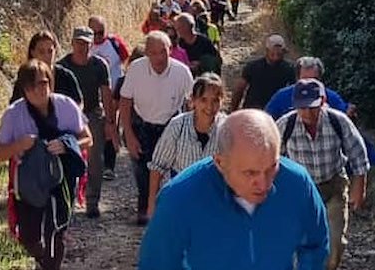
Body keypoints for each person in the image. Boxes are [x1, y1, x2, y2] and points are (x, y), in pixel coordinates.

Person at [138, 109, 329, 270]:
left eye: (272, 168)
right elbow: (156, 264)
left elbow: (316, 243)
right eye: (250, 173)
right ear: (220, 162)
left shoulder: (298, 184)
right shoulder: (178, 199)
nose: (264, 184)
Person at [0, 60, 91, 270]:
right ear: (24, 89)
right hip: (29, 182)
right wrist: (19, 145)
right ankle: (42, 260)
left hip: (62, 180)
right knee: (29, 237)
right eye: (32, 86)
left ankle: (51, 265)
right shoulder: (14, 114)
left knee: (56, 231)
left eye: (43, 83)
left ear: (50, 82)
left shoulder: (65, 105)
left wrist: (67, 145)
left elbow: (88, 139)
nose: (39, 89)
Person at [278, 79, 369, 270]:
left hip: (333, 186)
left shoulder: (338, 121)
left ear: (322, 101)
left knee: (334, 242)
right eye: (302, 108)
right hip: (300, 192)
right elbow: (270, 159)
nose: (307, 113)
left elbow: (358, 154)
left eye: (312, 107)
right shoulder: (286, 125)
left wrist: (358, 187)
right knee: (300, 242)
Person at [119, 31, 194, 225]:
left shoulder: (182, 72)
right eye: (153, 53)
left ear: (170, 50)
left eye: (163, 52)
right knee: (143, 170)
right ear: (146, 53)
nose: (159, 57)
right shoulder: (136, 69)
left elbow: (191, 104)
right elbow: (125, 102)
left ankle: (172, 210)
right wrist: (128, 134)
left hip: (171, 124)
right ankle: (145, 208)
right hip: (142, 124)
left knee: (173, 170)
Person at [146, 73, 226, 218]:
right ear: (193, 101)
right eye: (203, 100)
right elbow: (157, 167)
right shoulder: (178, 125)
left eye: (215, 100)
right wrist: (152, 204)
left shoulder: (227, 128)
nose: (209, 106)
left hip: (213, 201)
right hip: (179, 197)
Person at [57, 26, 115, 218]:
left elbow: (106, 93)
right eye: (79, 43)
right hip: (68, 117)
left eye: (86, 44)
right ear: (72, 43)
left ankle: (92, 201)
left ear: (92, 45)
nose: (82, 47)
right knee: (68, 156)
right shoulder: (62, 67)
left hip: (92, 114)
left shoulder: (99, 65)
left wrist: (109, 121)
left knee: (94, 159)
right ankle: (68, 201)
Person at [88, 15, 130, 181]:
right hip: (93, 94)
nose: (98, 36)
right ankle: (93, 164)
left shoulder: (114, 43)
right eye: (94, 33)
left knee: (111, 127)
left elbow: (126, 59)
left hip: (114, 93)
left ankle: (109, 166)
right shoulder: (86, 45)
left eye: (101, 32)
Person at [265, 56, 354, 119]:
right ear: (297, 78)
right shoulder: (281, 96)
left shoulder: (331, 97)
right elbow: (266, 119)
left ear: (320, 79)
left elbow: (345, 115)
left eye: (313, 79)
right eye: (305, 79)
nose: (308, 84)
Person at [10, 30, 82, 106]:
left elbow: (78, 104)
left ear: (55, 51)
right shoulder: (25, 77)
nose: (47, 56)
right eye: (41, 52)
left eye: (50, 51)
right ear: (32, 52)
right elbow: (15, 106)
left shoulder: (66, 76)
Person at [231, 34, 295, 111]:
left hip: (276, 111)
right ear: (267, 51)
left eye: (279, 54)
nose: (276, 57)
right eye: (273, 54)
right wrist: (233, 111)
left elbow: (293, 91)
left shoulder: (289, 69)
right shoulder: (253, 67)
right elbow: (239, 89)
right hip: (254, 110)